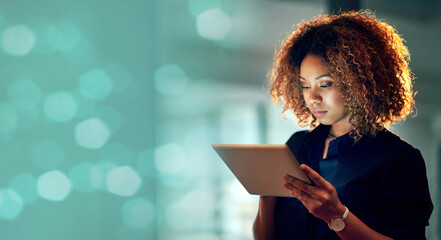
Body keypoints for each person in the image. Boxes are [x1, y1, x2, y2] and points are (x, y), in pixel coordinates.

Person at [253, 10, 433, 240]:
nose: (313, 97)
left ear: (360, 83)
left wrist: (337, 216)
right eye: (305, 85)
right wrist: (266, 201)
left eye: (325, 84)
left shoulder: (399, 159)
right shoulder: (297, 146)